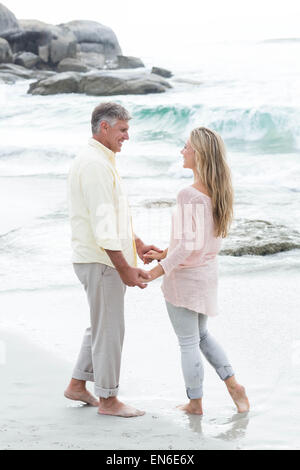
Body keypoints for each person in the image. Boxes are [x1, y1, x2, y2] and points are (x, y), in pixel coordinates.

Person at [143, 127, 250, 415]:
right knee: (202, 336)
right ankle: (234, 386)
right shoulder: (219, 191)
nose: (182, 151)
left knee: (188, 342)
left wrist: (157, 272)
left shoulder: (189, 194)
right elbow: (196, 241)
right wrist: (165, 252)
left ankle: (195, 402)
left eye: (186, 147)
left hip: (185, 279)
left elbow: (188, 247)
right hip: (206, 275)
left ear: (199, 153)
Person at [64, 102, 161, 418]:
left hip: (101, 257)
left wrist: (137, 243)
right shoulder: (95, 165)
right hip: (101, 261)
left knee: (101, 324)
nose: (127, 136)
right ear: (103, 128)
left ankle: (78, 385)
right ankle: (108, 400)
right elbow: (104, 228)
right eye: (122, 130)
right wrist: (124, 269)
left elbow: (112, 216)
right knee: (109, 329)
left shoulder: (101, 160)